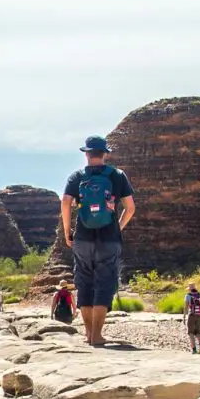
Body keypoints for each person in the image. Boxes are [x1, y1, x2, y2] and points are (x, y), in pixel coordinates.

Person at [61, 135, 136, 348]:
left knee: (84, 281)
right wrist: (118, 228)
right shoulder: (117, 175)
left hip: (83, 237)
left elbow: (66, 203)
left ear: (86, 153)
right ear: (105, 153)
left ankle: (87, 335)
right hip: (108, 238)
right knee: (105, 283)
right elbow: (130, 208)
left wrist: (68, 232)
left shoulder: (76, 176)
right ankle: (97, 335)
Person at [184, 283, 200, 354]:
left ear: (189, 289)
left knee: (190, 333)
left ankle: (194, 350)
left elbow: (186, 306)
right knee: (197, 332)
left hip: (192, 314)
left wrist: (184, 316)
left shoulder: (188, 295)